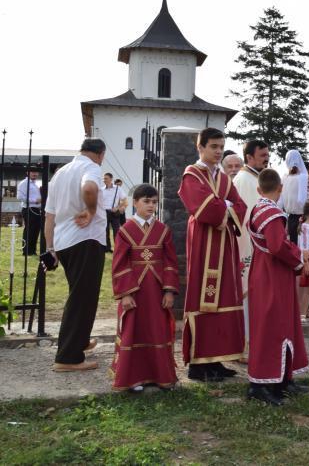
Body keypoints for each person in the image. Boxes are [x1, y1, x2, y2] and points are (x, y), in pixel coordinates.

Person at [178, 128, 247, 382]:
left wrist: (225, 206)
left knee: (224, 297)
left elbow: (240, 206)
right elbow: (202, 208)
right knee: (202, 298)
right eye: (214, 147)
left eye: (221, 147)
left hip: (225, 245)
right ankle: (197, 364)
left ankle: (215, 360)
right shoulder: (191, 175)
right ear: (201, 147)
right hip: (204, 245)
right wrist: (225, 206)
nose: (218, 151)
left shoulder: (226, 179)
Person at [246, 168, 309, 406]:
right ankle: (261, 385)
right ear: (280, 188)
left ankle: (282, 379)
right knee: (272, 328)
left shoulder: (257, 208)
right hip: (272, 276)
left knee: (281, 325)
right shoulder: (271, 212)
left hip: (265, 273)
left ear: (258, 189)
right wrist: (298, 255)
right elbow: (276, 246)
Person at [45, 138, 108, 372]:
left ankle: (79, 341)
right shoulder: (91, 167)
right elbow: (89, 188)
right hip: (85, 239)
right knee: (82, 298)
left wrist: (51, 248)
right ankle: (68, 357)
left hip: (63, 242)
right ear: (100, 154)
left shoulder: (60, 173)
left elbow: (49, 216)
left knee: (80, 294)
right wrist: (91, 210)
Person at [109, 183, 179, 392]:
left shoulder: (163, 230)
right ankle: (134, 378)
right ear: (135, 203)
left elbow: (170, 262)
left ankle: (160, 376)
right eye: (146, 201)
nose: (151, 206)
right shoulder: (125, 231)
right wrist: (126, 294)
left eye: (154, 202)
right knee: (134, 330)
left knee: (157, 330)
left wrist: (168, 290)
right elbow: (119, 264)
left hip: (157, 292)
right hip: (135, 293)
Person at [233, 139, 269, 363]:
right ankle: (244, 347)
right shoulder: (243, 180)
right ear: (249, 158)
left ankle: (256, 343)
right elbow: (244, 218)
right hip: (248, 246)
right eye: (262, 154)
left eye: (267, 154)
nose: (266, 157)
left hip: (261, 247)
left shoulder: (257, 178)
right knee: (246, 297)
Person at [282, 150, 307, 242]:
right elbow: (301, 200)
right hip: (302, 217)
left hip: (289, 217)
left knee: (293, 244)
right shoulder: (302, 177)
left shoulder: (285, 177)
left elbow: (280, 201)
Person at [16, 166, 42, 256]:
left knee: (36, 230)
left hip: (37, 210)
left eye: (36, 172)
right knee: (29, 230)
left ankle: (32, 251)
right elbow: (19, 197)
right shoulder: (24, 183)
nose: (35, 174)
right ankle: (26, 251)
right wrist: (34, 201)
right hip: (29, 209)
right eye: (32, 172)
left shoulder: (36, 184)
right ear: (27, 173)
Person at [100, 173, 125, 252]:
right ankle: (107, 248)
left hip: (114, 213)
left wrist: (117, 207)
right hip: (104, 212)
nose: (104, 180)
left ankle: (117, 248)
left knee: (116, 231)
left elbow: (124, 200)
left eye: (106, 178)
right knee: (105, 231)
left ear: (111, 179)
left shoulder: (118, 189)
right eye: (103, 179)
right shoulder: (101, 190)